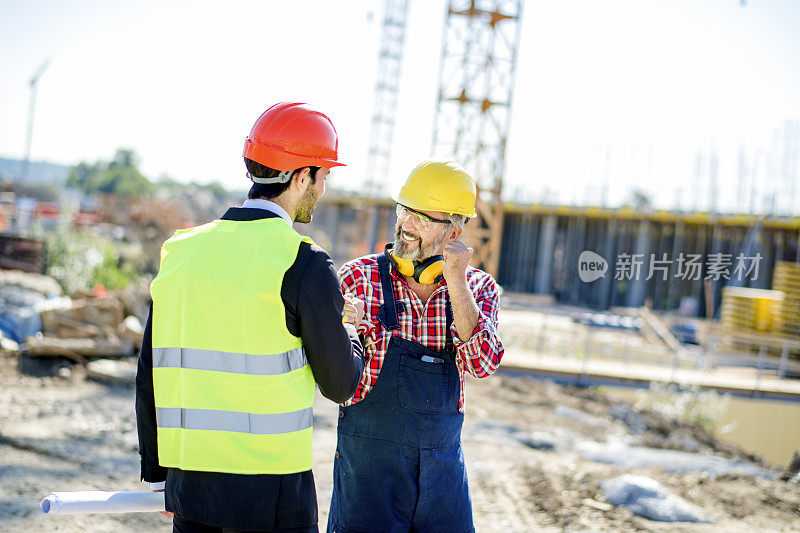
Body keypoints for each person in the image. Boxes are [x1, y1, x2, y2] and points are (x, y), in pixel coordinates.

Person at [135, 102, 364, 533]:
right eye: (324, 176)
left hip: (191, 488)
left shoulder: (180, 252)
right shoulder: (303, 262)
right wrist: (350, 330)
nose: (324, 188)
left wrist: (157, 474)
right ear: (302, 177)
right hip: (272, 496)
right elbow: (341, 384)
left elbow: (149, 370)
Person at [327, 160, 504, 532]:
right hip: (368, 477)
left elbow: (483, 364)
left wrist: (456, 280)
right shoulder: (357, 278)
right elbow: (328, 375)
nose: (406, 226)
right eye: (404, 211)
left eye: (422, 219)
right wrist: (345, 327)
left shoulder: (479, 290)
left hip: (442, 480)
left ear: (454, 231)